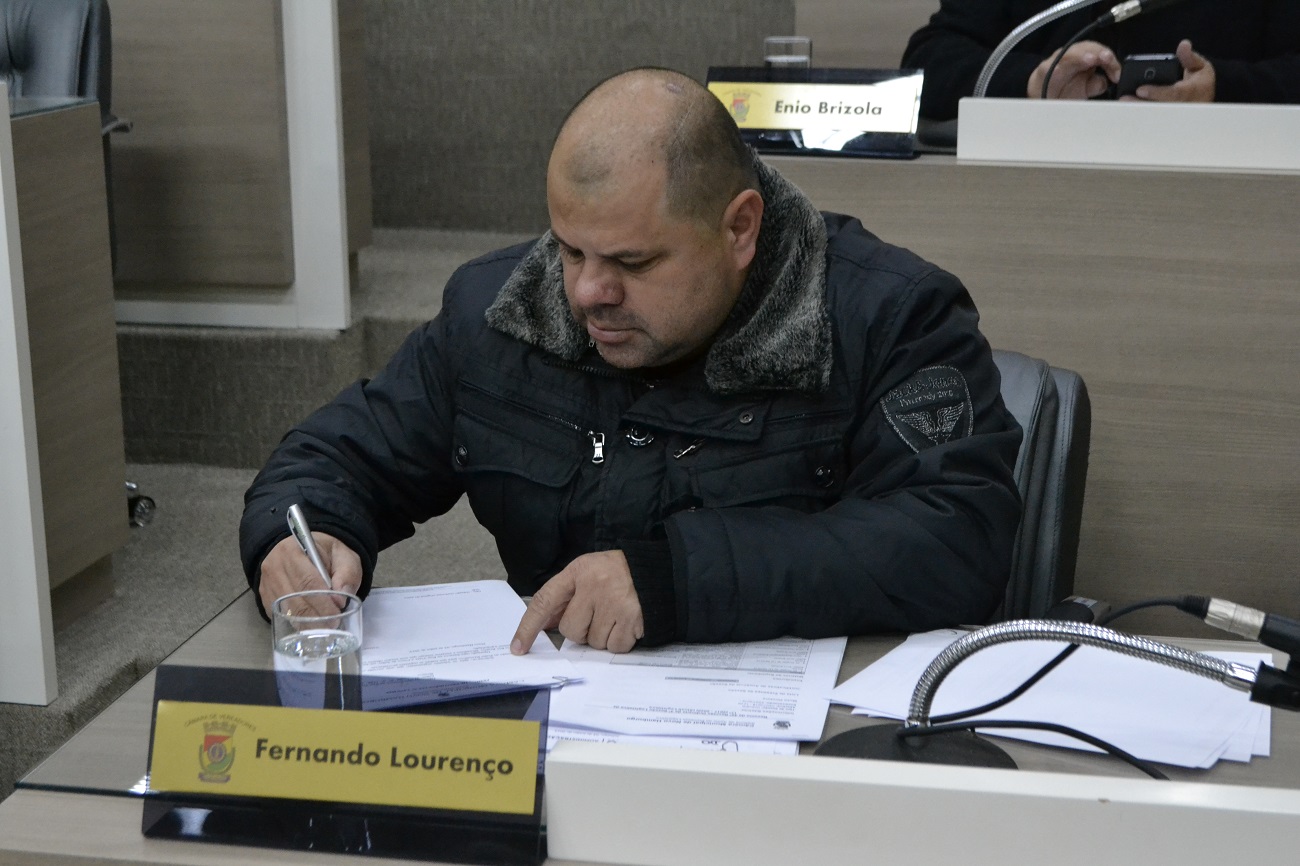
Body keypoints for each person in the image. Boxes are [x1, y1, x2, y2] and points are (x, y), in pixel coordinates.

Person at [239, 67, 1022, 655]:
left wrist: (672, 581)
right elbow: (334, 457)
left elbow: (955, 537)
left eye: (632, 262)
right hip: (566, 723)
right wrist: (299, 537)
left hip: (797, 745)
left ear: (739, 228)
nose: (585, 291)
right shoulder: (501, 310)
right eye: (570, 247)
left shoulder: (887, 316)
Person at [902, 0, 1300, 121]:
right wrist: (1031, 81)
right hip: (1034, 192)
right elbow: (926, 67)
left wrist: (1221, 87)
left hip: (1228, 191)